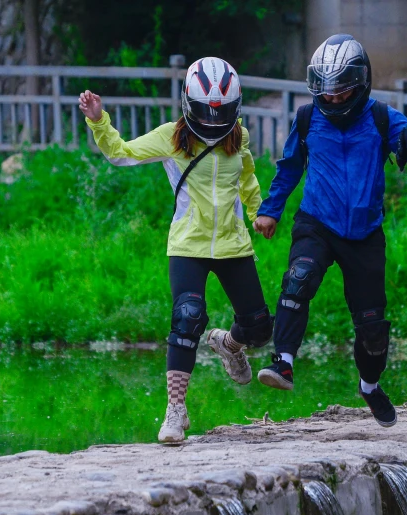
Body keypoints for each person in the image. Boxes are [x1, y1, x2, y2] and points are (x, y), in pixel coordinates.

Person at [79, 57, 273, 443]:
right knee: (187, 317)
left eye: (222, 113)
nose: (215, 121)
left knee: (260, 328)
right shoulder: (172, 136)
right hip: (189, 243)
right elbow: (120, 153)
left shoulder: (240, 136)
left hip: (233, 244)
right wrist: (99, 120)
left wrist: (259, 211)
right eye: (207, 112)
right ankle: (175, 412)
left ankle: (228, 344)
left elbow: (246, 175)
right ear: (189, 104)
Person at [252, 34, 407, 427]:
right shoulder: (307, 118)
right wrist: (271, 210)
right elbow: (289, 167)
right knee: (298, 279)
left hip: (365, 233)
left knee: (372, 329)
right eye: (327, 93)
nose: (333, 100)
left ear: (361, 83)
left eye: (342, 93)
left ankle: (370, 387)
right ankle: (283, 362)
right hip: (317, 222)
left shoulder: (381, 118)